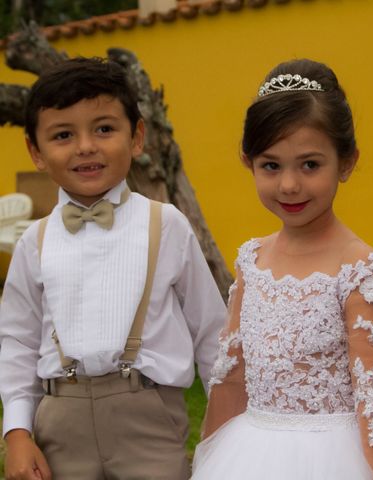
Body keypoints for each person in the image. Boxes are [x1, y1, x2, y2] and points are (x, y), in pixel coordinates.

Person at [190, 58, 373, 480]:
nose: (289, 185)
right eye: (271, 165)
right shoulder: (251, 260)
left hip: (337, 459)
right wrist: (207, 459)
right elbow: (231, 376)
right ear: (248, 161)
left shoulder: (361, 271)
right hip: (248, 456)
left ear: (346, 162)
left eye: (310, 165)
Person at [0, 57, 227, 480]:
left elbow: (212, 331)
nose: (86, 146)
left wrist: (227, 424)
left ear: (136, 137)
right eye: (63, 135)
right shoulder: (35, 242)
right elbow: (17, 343)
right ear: (36, 151)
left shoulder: (167, 224)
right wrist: (16, 432)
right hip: (59, 423)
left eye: (104, 129)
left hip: (149, 417)